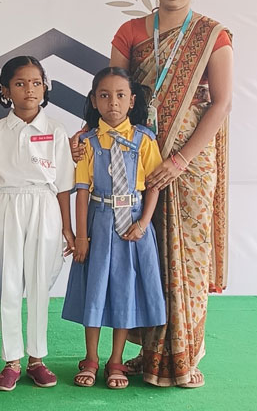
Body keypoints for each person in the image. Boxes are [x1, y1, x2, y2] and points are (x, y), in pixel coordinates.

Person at [109, 0, 233, 388]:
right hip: (140, 157)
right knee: (146, 255)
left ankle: (185, 356)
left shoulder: (212, 36)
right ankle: (148, 354)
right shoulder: (130, 32)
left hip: (191, 163)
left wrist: (179, 160)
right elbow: (114, 97)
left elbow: (221, 104)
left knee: (189, 254)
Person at [62, 67, 166, 389]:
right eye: (104, 96)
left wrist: (144, 223)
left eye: (120, 95)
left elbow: (153, 185)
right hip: (100, 219)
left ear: (132, 100)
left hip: (132, 224)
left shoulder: (144, 140)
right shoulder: (87, 142)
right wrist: (81, 236)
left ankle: (116, 359)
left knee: (125, 289)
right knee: (95, 288)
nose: (113, 103)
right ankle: (91, 358)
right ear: (94, 101)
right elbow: (82, 191)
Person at [0, 56, 75, 391]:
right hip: (6, 206)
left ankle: (37, 359)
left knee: (39, 284)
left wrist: (67, 228)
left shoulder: (56, 130)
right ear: (6, 90)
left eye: (36, 83)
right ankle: (11, 360)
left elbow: (63, 185)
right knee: (8, 284)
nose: (29, 90)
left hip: (45, 205)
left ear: (45, 87)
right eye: (20, 84)